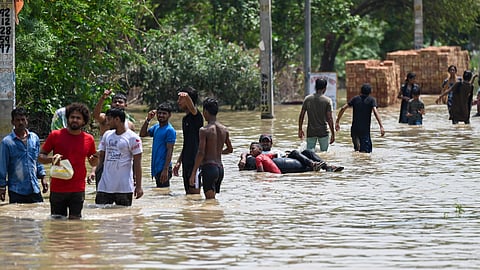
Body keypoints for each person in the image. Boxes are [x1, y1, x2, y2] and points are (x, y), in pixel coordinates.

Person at [38, 103, 98, 219]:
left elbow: (93, 163)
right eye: (72, 117)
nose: (74, 120)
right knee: (57, 223)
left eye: (78, 118)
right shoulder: (55, 135)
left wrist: (95, 159)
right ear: (68, 119)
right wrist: (52, 159)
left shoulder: (89, 139)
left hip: (78, 189)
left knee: (76, 223)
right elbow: (40, 157)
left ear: (84, 122)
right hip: (57, 188)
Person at [95, 108, 143, 206]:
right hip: (104, 186)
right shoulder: (107, 135)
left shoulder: (133, 138)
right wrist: (94, 172)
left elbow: (137, 163)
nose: (107, 123)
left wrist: (138, 186)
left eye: (109, 119)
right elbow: (101, 156)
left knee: (124, 218)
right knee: (100, 215)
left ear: (117, 119)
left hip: (124, 187)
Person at [0, 107, 48, 203]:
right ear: (13, 122)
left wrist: (43, 177)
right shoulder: (7, 142)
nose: (20, 122)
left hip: (34, 187)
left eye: (23, 119)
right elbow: (2, 166)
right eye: (17, 120)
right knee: (16, 216)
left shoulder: (34, 138)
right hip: (16, 190)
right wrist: (2, 186)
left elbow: (38, 160)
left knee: (38, 214)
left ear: (27, 121)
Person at [188, 98, 233, 199]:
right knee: (212, 200)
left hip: (209, 167)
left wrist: (194, 172)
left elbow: (201, 152)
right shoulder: (224, 130)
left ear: (205, 112)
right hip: (220, 168)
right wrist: (218, 152)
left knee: (209, 202)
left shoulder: (204, 130)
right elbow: (230, 149)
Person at [92, 90, 135, 188]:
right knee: (101, 193)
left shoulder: (129, 125)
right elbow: (95, 115)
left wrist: (134, 175)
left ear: (125, 105)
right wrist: (102, 98)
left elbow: (133, 150)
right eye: (115, 101)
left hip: (121, 163)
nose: (117, 104)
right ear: (111, 104)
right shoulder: (105, 119)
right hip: (103, 160)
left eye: (120, 102)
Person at [238, 134, 343, 173]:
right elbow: (247, 153)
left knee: (307, 151)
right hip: (278, 163)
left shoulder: (276, 151)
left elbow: (285, 155)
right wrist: (243, 158)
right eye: (263, 141)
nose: (265, 143)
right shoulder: (256, 154)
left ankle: (327, 166)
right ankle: (312, 164)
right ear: (259, 144)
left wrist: (288, 154)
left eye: (267, 141)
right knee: (295, 152)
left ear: (271, 143)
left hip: (286, 158)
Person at [336, 83, 385, 153]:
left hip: (354, 130)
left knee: (357, 151)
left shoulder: (355, 99)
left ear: (360, 91)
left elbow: (343, 108)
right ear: (370, 92)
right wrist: (381, 126)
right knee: (365, 154)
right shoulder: (371, 100)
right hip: (364, 131)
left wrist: (337, 121)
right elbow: (375, 112)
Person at [173, 86, 204, 195]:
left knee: (195, 196)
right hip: (186, 161)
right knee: (189, 196)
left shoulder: (197, 116)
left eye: (180, 99)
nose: (178, 102)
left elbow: (193, 108)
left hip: (195, 162)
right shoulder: (185, 119)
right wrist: (178, 162)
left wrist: (186, 96)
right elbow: (186, 143)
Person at [139, 102, 176, 188]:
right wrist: (148, 120)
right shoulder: (156, 127)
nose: (161, 115)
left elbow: (170, 150)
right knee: (160, 194)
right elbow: (142, 134)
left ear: (169, 115)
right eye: (159, 113)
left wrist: (165, 170)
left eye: (164, 113)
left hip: (163, 168)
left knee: (164, 195)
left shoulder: (169, 130)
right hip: (156, 168)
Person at [298, 78, 335, 151]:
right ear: (325, 88)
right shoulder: (327, 101)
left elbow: (301, 115)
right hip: (323, 131)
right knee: (325, 153)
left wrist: (300, 129)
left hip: (311, 131)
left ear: (315, 87)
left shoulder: (307, 99)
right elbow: (329, 118)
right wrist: (333, 134)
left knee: (309, 153)